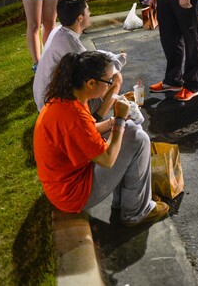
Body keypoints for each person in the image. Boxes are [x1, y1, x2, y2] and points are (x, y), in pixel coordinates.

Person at [33, 51, 169, 227]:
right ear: (91, 83)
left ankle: (126, 203)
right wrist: (119, 119)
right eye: (109, 81)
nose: (111, 85)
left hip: (61, 185)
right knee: (138, 138)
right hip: (72, 194)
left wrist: (114, 122)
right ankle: (135, 212)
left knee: (130, 130)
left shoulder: (66, 99)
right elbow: (107, 159)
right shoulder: (74, 115)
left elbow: (87, 132)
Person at [32, 0, 127, 116]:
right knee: (115, 77)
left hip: (45, 100)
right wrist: (119, 60)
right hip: (55, 108)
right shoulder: (71, 45)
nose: (90, 13)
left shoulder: (58, 31)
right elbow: (100, 71)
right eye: (87, 10)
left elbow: (87, 56)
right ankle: (94, 122)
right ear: (80, 18)